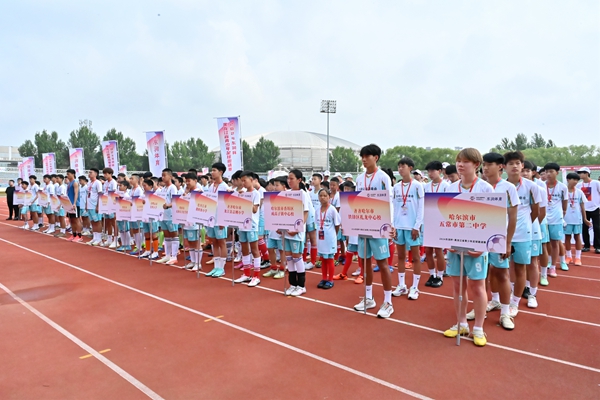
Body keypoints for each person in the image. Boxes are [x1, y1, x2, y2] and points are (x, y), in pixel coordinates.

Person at [443, 148, 494, 347]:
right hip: (455, 247)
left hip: (476, 249)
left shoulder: (485, 189)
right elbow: (444, 217)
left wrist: (484, 246)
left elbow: (494, 220)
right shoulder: (450, 189)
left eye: (465, 161)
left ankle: (479, 328)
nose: (460, 165)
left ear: (476, 165)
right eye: (458, 161)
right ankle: (461, 323)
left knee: (477, 287)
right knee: (458, 286)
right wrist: (447, 241)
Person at [471, 153, 520, 330]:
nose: (485, 168)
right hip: (479, 237)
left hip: (498, 239)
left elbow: (512, 217)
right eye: (484, 165)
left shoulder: (508, 188)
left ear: (500, 167)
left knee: (501, 274)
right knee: (481, 276)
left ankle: (505, 313)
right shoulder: (478, 186)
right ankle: (481, 308)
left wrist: (508, 242)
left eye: (489, 165)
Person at [351, 144, 395, 319]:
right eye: (362, 156)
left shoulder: (383, 177)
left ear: (375, 158)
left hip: (379, 226)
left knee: (383, 264)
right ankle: (368, 298)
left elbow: (389, 202)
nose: (363, 159)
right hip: (363, 225)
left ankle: (388, 302)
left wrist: (390, 225)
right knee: (365, 262)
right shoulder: (359, 178)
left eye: (367, 156)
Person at [392, 157, 425, 300]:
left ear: (410, 168)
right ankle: (401, 285)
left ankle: (415, 287)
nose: (400, 169)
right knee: (400, 257)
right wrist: (393, 225)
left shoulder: (417, 186)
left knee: (416, 258)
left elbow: (421, 207)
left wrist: (417, 225)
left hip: (412, 227)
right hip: (399, 226)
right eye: (399, 166)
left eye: (403, 166)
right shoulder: (396, 187)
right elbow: (394, 207)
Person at [233, 171, 263, 287]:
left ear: (251, 180)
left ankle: (256, 276)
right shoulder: (242, 193)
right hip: (242, 224)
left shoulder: (256, 193)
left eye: (245, 180)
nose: (243, 183)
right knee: (244, 249)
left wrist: (245, 199)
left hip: (252, 225)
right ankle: (246, 274)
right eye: (242, 181)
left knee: (254, 250)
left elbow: (254, 209)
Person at [283, 170, 310, 297]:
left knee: (297, 257)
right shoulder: (287, 193)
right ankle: (293, 284)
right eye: (288, 178)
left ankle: (301, 286)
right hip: (287, 231)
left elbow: (305, 213)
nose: (289, 181)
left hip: (296, 232)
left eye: (292, 178)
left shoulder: (303, 194)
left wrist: (297, 229)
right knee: (289, 258)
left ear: (299, 180)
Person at [424, 161, 449, 287]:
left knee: (438, 250)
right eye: (429, 171)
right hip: (429, 222)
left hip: (440, 223)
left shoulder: (446, 186)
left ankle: (440, 276)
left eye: (432, 171)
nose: (430, 173)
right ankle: (432, 274)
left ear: (439, 171)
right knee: (428, 250)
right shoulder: (426, 186)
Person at [205, 162, 230, 278]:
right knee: (214, 242)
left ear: (221, 172)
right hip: (211, 219)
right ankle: (216, 266)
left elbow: (227, 205)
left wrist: (223, 220)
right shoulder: (211, 186)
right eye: (212, 170)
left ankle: (222, 268)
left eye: (214, 170)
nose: (212, 172)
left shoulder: (225, 187)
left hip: (220, 219)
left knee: (221, 242)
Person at [544, 163, 569, 276]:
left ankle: (553, 267)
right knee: (546, 243)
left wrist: (563, 213)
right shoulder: (541, 186)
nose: (548, 174)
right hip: (543, 219)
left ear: (557, 173)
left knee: (555, 243)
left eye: (551, 171)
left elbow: (565, 202)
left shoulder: (562, 187)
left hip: (556, 219)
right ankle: (549, 262)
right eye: (546, 172)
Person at [315, 188, 341, 289]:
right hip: (321, 239)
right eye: (320, 195)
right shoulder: (317, 210)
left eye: (325, 195)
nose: (322, 197)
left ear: (329, 197)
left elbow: (337, 225)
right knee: (323, 260)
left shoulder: (332, 209)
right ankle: (324, 278)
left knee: (330, 259)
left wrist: (333, 234)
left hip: (330, 238)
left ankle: (330, 280)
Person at [263, 177, 288, 279]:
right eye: (274, 185)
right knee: (270, 248)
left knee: (282, 250)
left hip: (282, 229)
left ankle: (282, 269)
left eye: (277, 185)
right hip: (272, 228)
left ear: (284, 186)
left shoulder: (288, 197)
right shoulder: (271, 197)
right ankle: (273, 268)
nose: (275, 187)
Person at [565, 173, 591, 265]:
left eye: (577, 180)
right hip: (566, 219)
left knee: (577, 237)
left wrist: (585, 219)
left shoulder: (579, 192)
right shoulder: (563, 191)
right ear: (568, 180)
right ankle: (568, 256)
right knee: (567, 237)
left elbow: (582, 207)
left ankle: (578, 258)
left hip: (577, 219)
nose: (575, 182)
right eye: (574, 179)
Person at [155, 168, 179, 265]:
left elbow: (175, 201)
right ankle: (168, 255)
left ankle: (174, 256)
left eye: (164, 175)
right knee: (166, 235)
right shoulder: (163, 188)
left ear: (170, 176)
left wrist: (168, 205)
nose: (163, 177)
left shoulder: (172, 188)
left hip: (171, 215)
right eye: (162, 175)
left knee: (173, 234)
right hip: (163, 215)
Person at [182, 173, 203, 271]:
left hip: (195, 222)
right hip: (187, 220)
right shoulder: (187, 192)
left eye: (189, 181)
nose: (187, 183)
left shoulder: (198, 191)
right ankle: (193, 261)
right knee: (190, 242)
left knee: (196, 242)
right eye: (186, 181)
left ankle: (198, 263)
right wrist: (185, 193)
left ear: (195, 181)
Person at [576, 167, 600, 253]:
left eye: (581, 173)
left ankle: (598, 246)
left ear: (586, 173)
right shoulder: (579, 185)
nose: (579, 174)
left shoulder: (596, 183)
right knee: (584, 228)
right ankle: (586, 245)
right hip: (584, 209)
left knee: (597, 228)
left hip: (595, 208)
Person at [86, 168, 105, 246]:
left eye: (91, 172)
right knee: (93, 222)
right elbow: (87, 194)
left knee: (97, 222)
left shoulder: (98, 183)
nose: (89, 174)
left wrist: (98, 205)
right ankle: (95, 237)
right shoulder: (89, 183)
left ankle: (99, 239)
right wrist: (86, 205)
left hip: (95, 205)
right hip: (89, 205)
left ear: (96, 174)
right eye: (89, 172)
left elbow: (100, 195)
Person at [65, 169, 82, 242]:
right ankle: (74, 234)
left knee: (76, 219)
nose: (67, 176)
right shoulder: (69, 183)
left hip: (75, 204)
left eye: (68, 174)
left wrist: (74, 203)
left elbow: (76, 193)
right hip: (69, 204)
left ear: (73, 174)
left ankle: (79, 236)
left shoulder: (75, 182)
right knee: (71, 220)